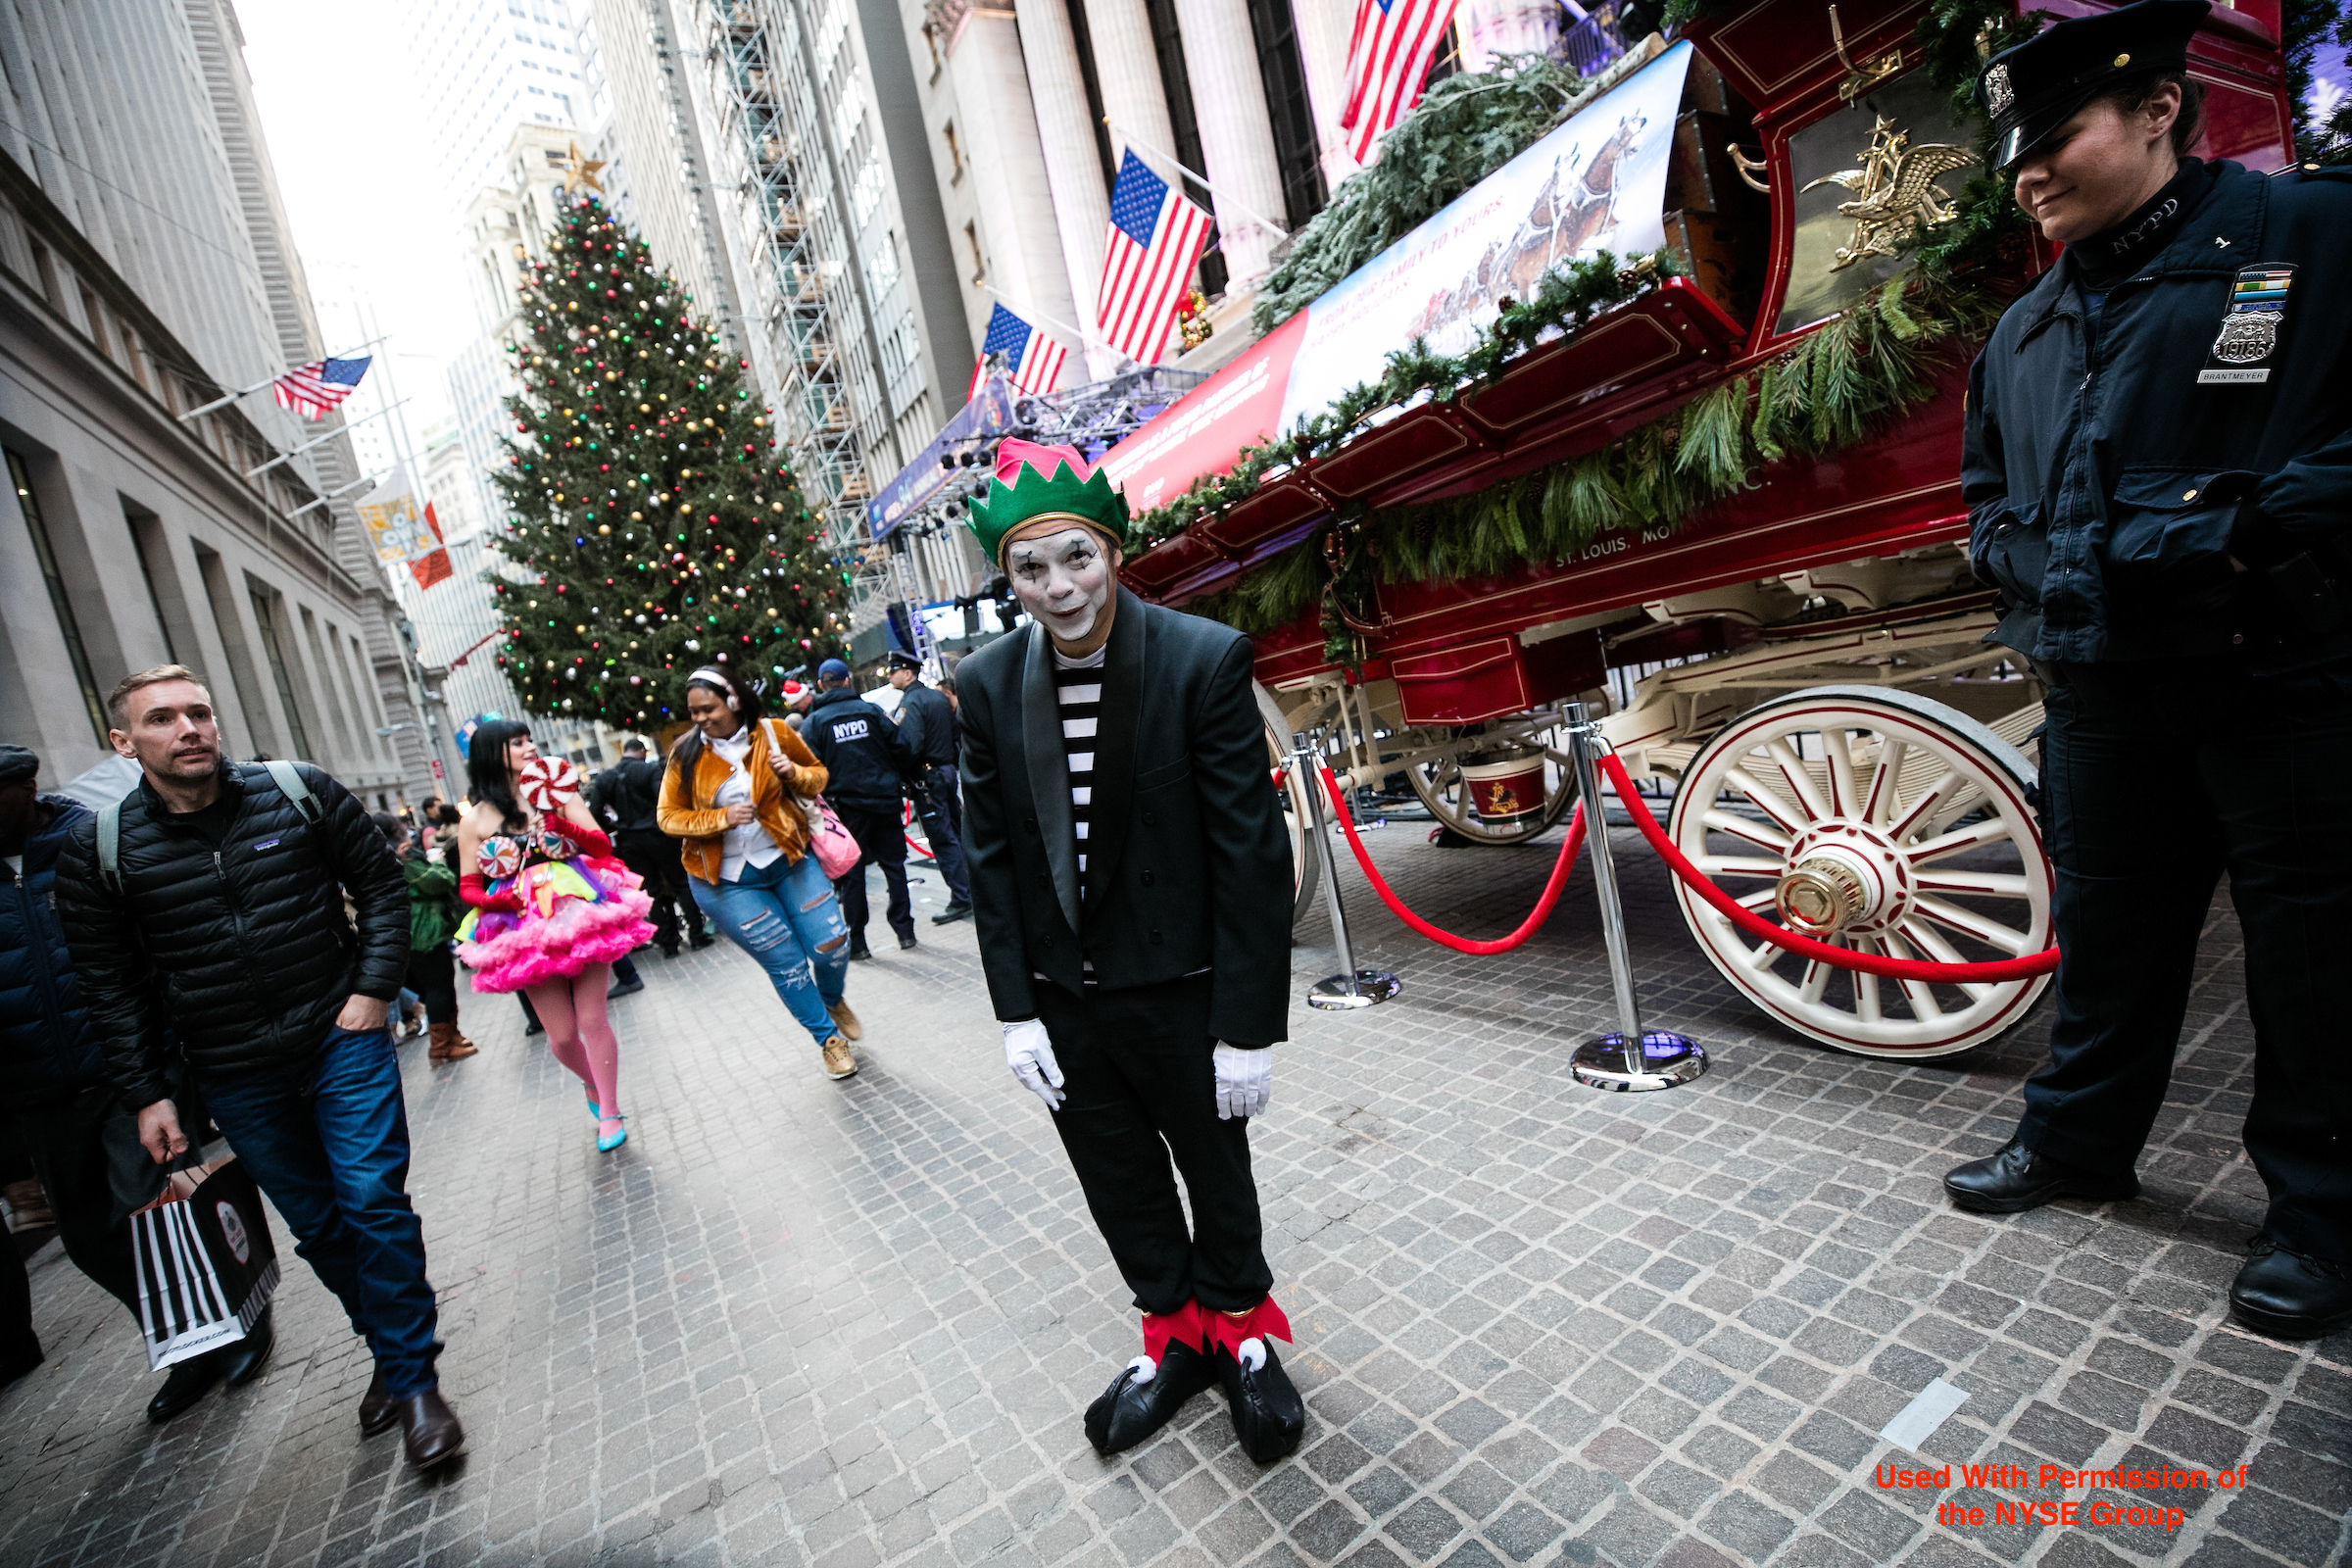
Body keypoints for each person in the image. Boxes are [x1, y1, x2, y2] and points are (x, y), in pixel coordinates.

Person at [1947, 0, 2352, 1340]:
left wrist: (2239, 528)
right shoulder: (2021, 331)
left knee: (2315, 961)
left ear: (2161, 110)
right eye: (2016, 155)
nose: (2030, 174)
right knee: (2112, 940)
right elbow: (1985, 502)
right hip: (2102, 690)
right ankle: (2077, 1143)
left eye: (2056, 137)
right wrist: (2038, 554)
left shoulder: (2312, 235)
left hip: (2281, 674)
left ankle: (2324, 1219)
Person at [956, 441, 1304, 1460]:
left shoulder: (1202, 659)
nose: (1058, 587)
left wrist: (1246, 1027)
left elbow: (1249, 858)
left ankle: (1242, 1333)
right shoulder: (981, 688)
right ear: (1008, 578)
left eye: (1076, 557)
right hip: (1068, 1000)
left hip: (1183, 991)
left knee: (1215, 1168)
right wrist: (1015, 1010)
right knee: (1117, 1178)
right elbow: (993, 860)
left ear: (1112, 550)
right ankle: (1174, 1333)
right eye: (1031, 568)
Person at [52, 667, 462, 1468]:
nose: (189, 729)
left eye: (199, 712)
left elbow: (379, 885)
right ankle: (388, 1351)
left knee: (373, 1200)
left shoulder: (296, 790)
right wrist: (149, 1096)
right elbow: (112, 987)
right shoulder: (97, 851)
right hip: (233, 1072)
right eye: (163, 719)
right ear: (124, 742)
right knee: (319, 1226)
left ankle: (415, 1385)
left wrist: (374, 990)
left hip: (340, 1036)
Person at [1, 744, 270, 1421]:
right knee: (92, 1239)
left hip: (126, 1069)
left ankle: (235, 1317)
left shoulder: (89, 840)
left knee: (159, 1205)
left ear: (25, 788)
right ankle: (186, 1336)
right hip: (38, 1089)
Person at [452, 721, 655, 1152]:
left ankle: (611, 1110)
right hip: (522, 927)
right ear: (494, 753)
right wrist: (498, 904)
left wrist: (563, 829)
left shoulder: (556, 793)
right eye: (517, 742)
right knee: (561, 1036)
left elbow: (601, 847)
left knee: (592, 1019)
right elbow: (468, 886)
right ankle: (592, 1084)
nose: (529, 747)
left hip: (578, 908)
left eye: (529, 740)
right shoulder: (475, 819)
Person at [657, 667, 859, 1080]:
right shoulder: (686, 753)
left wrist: (793, 774)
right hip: (725, 882)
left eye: (707, 709)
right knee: (787, 964)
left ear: (733, 701)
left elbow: (818, 776)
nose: (699, 719)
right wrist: (720, 817)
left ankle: (832, 998)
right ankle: (828, 1040)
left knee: (833, 943)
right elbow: (668, 817)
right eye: (693, 712)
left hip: (788, 860)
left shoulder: (775, 732)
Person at [805, 658, 920, 956]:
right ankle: (905, 932)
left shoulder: (815, 723)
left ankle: (858, 943)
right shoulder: (871, 712)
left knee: (852, 875)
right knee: (894, 867)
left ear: (821, 685)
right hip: (884, 799)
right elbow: (902, 747)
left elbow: (809, 769)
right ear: (847, 681)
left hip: (847, 809)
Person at [592, 738, 712, 958]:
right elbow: (664, 799)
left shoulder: (606, 778)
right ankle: (696, 935)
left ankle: (667, 943)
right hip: (659, 835)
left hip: (629, 839)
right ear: (641, 751)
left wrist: (613, 825)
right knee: (681, 884)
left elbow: (595, 811)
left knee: (650, 891)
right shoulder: (648, 771)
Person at [372, 814, 476, 1064]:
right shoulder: (400, 857)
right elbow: (438, 881)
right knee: (438, 988)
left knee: (442, 986)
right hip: (422, 933)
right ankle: (441, 1047)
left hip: (414, 931)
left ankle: (451, 1037)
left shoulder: (381, 856)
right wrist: (437, 862)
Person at [887, 651, 973, 924]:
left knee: (942, 837)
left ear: (907, 672)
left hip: (927, 777)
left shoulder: (911, 703)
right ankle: (974, 889)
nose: (889, 676)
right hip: (946, 770)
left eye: (893, 671)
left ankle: (962, 897)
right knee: (958, 833)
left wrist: (902, 773)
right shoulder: (938, 697)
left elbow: (909, 746)